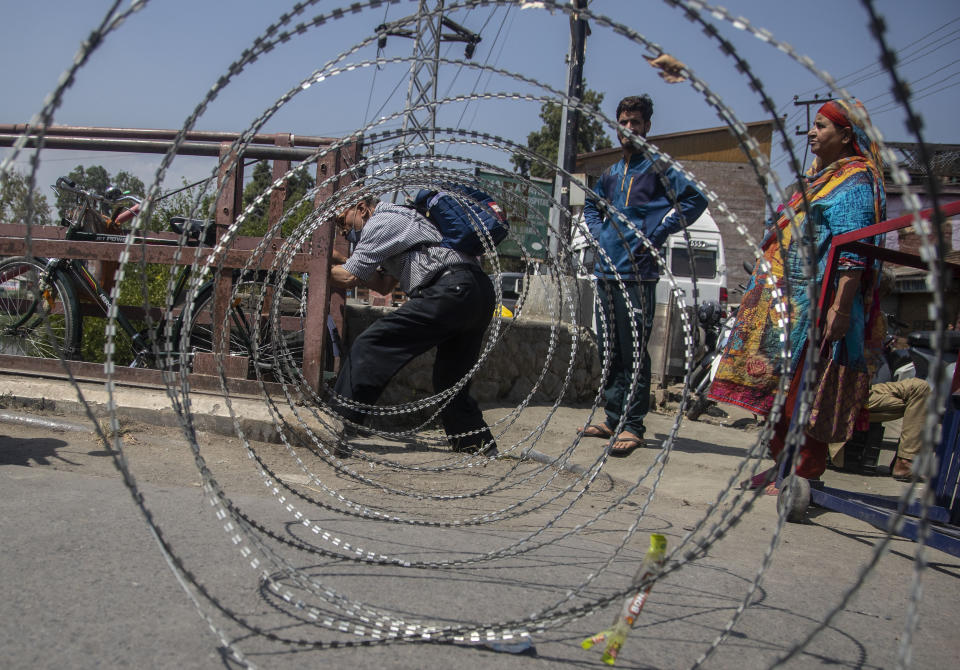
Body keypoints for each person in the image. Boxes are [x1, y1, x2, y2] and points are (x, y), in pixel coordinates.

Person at [708, 99, 886, 492]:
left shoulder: (855, 183)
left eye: (822, 126)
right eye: (814, 125)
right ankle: (780, 464)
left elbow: (854, 253)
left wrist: (839, 307)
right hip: (786, 308)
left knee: (807, 393)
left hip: (818, 311)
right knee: (779, 390)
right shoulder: (819, 179)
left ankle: (803, 472)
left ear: (845, 135)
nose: (812, 133)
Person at [579, 94, 708, 455]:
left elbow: (695, 199)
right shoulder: (611, 174)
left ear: (647, 126)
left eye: (636, 122)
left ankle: (633, 424)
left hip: (638, 274)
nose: (630, 128)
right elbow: (592, 204)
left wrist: (657, 233)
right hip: (606, 271)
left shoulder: (659, 168)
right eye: (624, 122)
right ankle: (612, 416)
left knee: (634, 349)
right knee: (611, 348)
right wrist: (598, 232)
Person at [328, 194, 498, 455]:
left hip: (449, 290)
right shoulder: (403, 217)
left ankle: (335, 422)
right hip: (477, 293)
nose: (342, 229)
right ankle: (475, 443)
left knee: (371, 345)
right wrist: (338, 260)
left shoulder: (380, 222)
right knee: (450, 379)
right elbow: (384, 285)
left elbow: (350, 277)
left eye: (343, 220)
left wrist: (318, 265)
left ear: (361, 208)